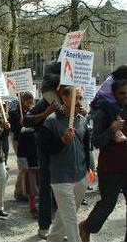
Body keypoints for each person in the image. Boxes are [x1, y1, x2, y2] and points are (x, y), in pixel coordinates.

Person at [79, 78, 127, 242]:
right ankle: (86, 227)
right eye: (122, 93)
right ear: (114, 94)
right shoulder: (104, 112)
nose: (125, 96)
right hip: (111, 168)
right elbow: (96, 141)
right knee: (108, 204)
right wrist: (112, 130)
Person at [40, 86, 91, 242]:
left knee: (63, 218)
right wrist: (62, 141)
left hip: (81, 177)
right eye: (76, 97)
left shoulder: (82, 121)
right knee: (70, 219)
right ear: (65, 98)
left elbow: (86, 149)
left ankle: (53, 240)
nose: (80, 101)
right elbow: (44, 149)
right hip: (61, 179)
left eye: (81, 98)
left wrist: (88, 170)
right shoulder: (51, 121)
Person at [23, 87, 60, 239]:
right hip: (47, 154)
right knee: (46, 190)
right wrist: (47, 112)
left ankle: (61, 228)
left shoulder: (73, 101)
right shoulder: (47, 101)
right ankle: (44, 226)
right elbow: (27, 120)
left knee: (64, 193)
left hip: (65, 156)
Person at [9, 92, 35, 201]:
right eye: (28, 102)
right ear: (23, 101)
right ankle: (18, 191)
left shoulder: (31, 111)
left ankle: (23, 191)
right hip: (18, 140)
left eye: (31, 102)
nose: (30, 104)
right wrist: (20, 123)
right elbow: (13, 128)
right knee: (22, 166)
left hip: (28, 141)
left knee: (27, 167)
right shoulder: (15, 112)